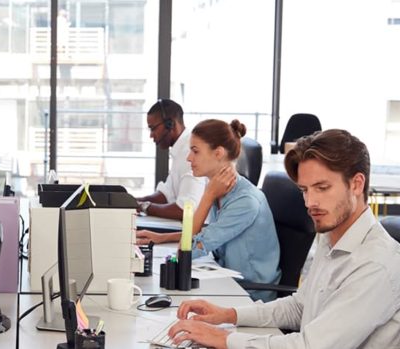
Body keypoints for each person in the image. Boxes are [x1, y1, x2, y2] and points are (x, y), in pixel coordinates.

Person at [167, 129, 400, 349]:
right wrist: (228, 315)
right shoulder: (332, 237)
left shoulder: (376, 264)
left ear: (356, 184)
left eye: (322, 188)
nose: (310, 203)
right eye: (305, 190)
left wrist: (225, 339)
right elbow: (300, 307)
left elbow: (311, 346)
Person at [137, 119, 280, 302]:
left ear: (218, 153)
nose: (189, 158)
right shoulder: (224, 190)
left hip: (250, 294)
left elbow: (185, 254)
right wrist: (161, 237)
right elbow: (207, 234)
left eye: (195, 151)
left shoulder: (244, 201)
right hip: (228, 281)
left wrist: (208, 196)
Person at [138, 99, 206, 219]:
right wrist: (134, 201)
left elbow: (184, 210)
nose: (151, 135)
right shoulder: (180, 149)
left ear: (170, 124)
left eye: (153, 128)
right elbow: (167, 194)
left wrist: (145, 206)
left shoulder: (189, 152)